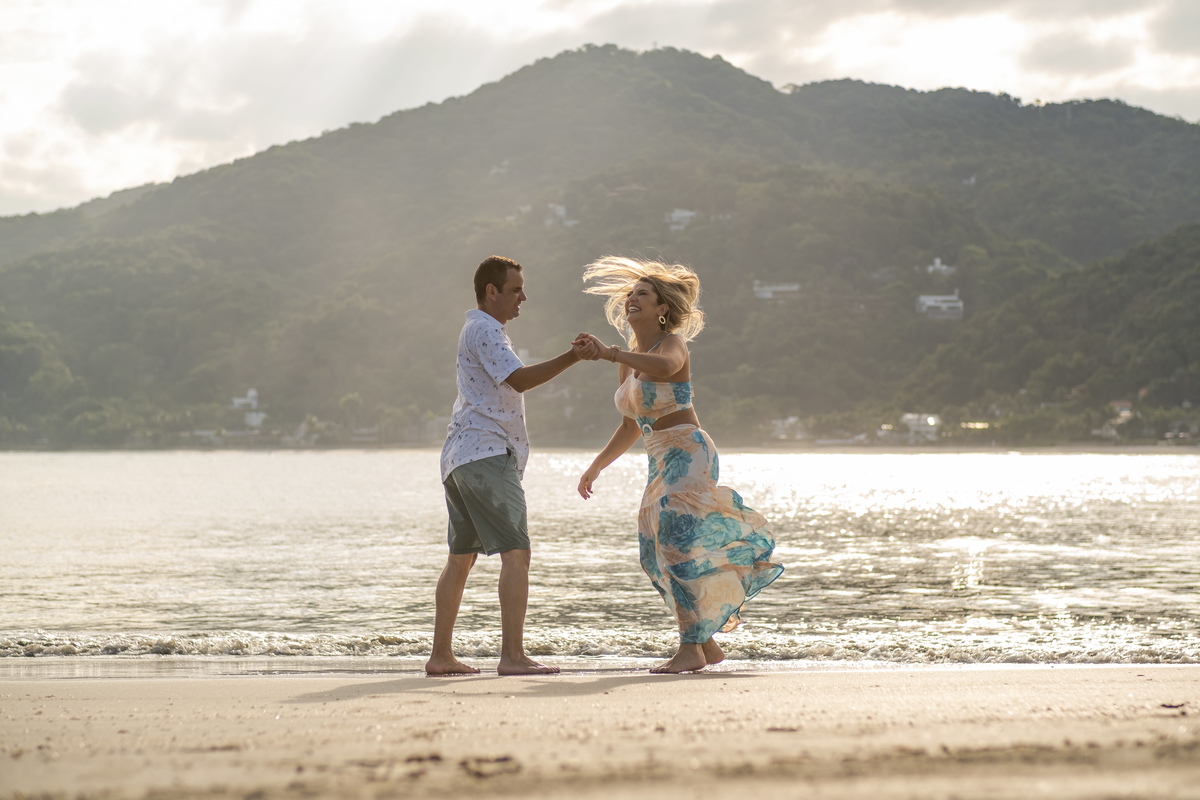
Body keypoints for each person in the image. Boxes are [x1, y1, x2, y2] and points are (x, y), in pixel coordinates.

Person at [573, 256, 784, 674]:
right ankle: (704, 642)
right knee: (652, 553)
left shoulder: (670, 344)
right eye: (630, 293)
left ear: (662, 308)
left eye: (643, 294)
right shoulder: (629, 359)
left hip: (689, 451)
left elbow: (668, 369)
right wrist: (596, 466)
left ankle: (690, 647)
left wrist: (612, 352)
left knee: (675, 545)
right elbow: (630, 425)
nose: (632, 299)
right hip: (658, 459)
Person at [427, 255, 584, 676]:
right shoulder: (485, 328)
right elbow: (519, 379)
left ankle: (441, 655)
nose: (523, 297)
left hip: (460, 457)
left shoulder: (474, 329)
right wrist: (572, 357)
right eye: (515, 289)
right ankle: (512, 656)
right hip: (485, 454)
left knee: (460, 558)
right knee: (517, 552)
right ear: (491, 291)